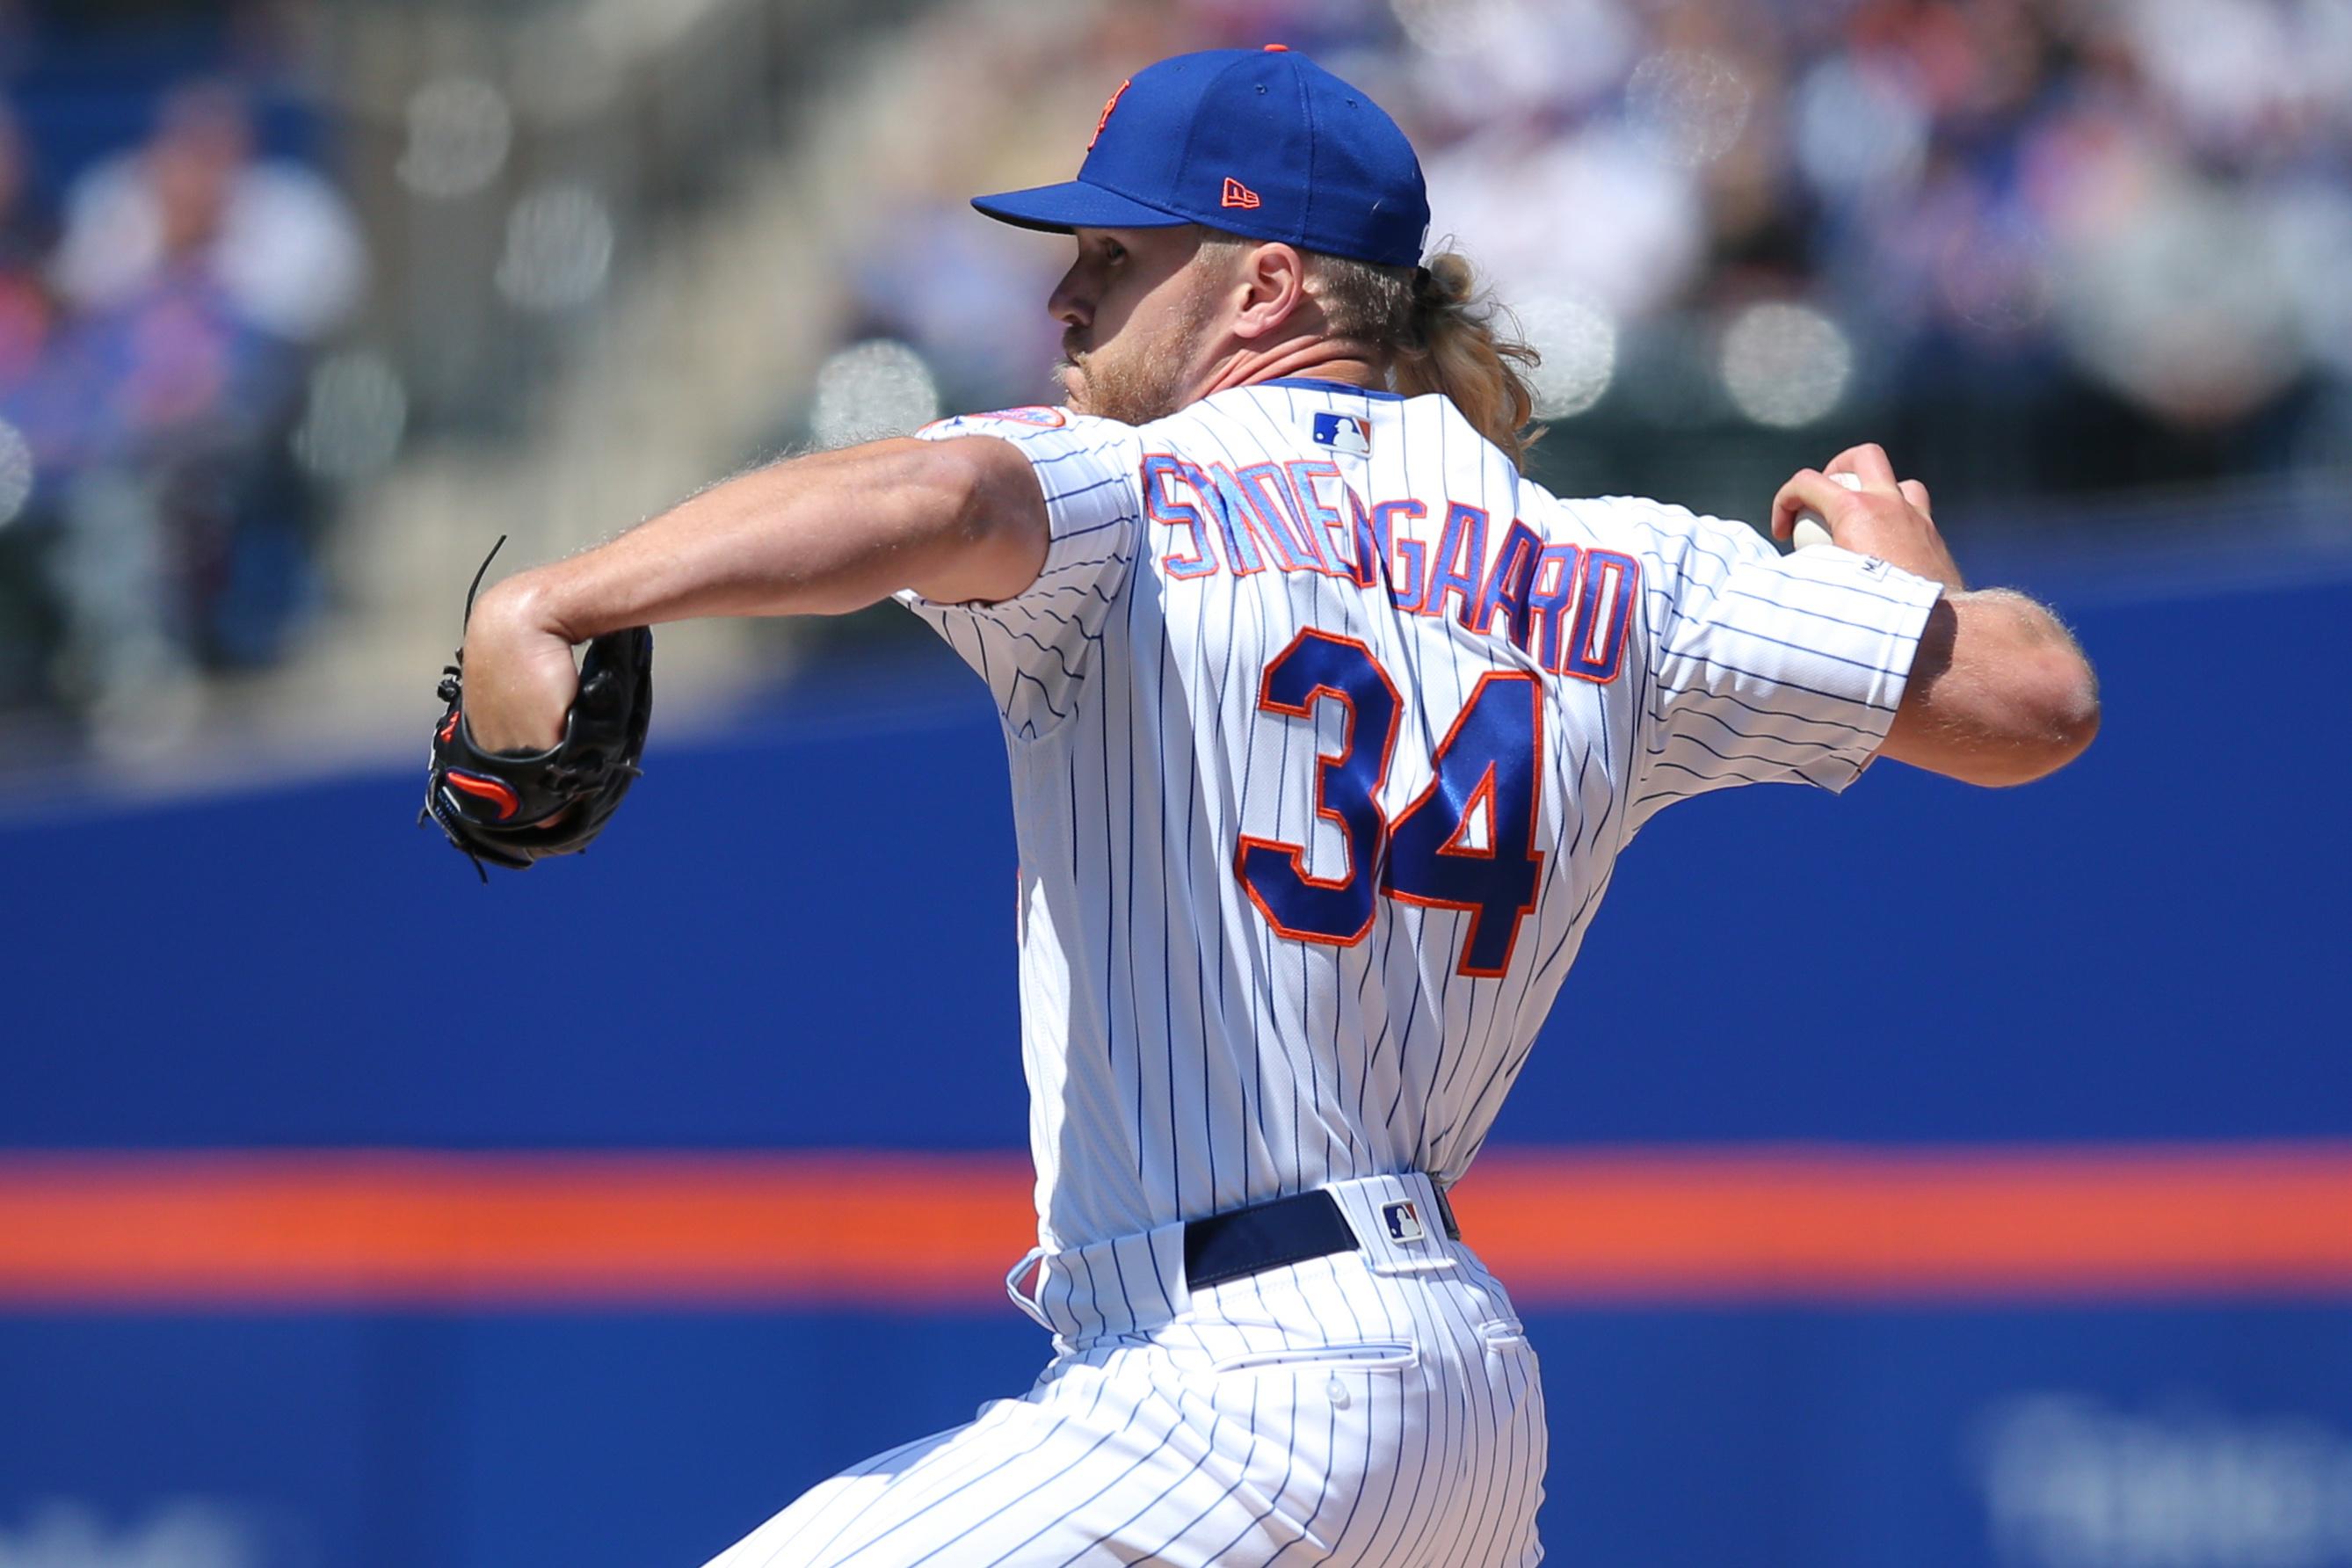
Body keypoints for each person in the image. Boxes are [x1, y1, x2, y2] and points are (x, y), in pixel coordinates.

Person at [452, 47, 2098, 1568]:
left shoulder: (1142, 493)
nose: (1064, 290)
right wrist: (1906, 590)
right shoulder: (1628, 568)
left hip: (1228, 1383)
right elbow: (2035, 701)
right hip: (1454, 1394)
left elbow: (934, 490)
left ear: (1267, 284)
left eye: (1115, 255)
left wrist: (564, 601)